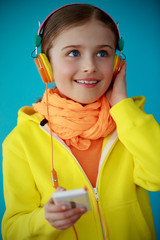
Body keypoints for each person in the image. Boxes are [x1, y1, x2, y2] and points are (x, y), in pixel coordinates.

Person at [2, 3, 160, 240]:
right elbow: (12, 231)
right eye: (73, 53)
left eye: (103, 53)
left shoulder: (130, 126)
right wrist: (44, 220)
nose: (90, 67)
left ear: (117, 65)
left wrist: (121, 106)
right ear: (45, 65)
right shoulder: (21, 141)